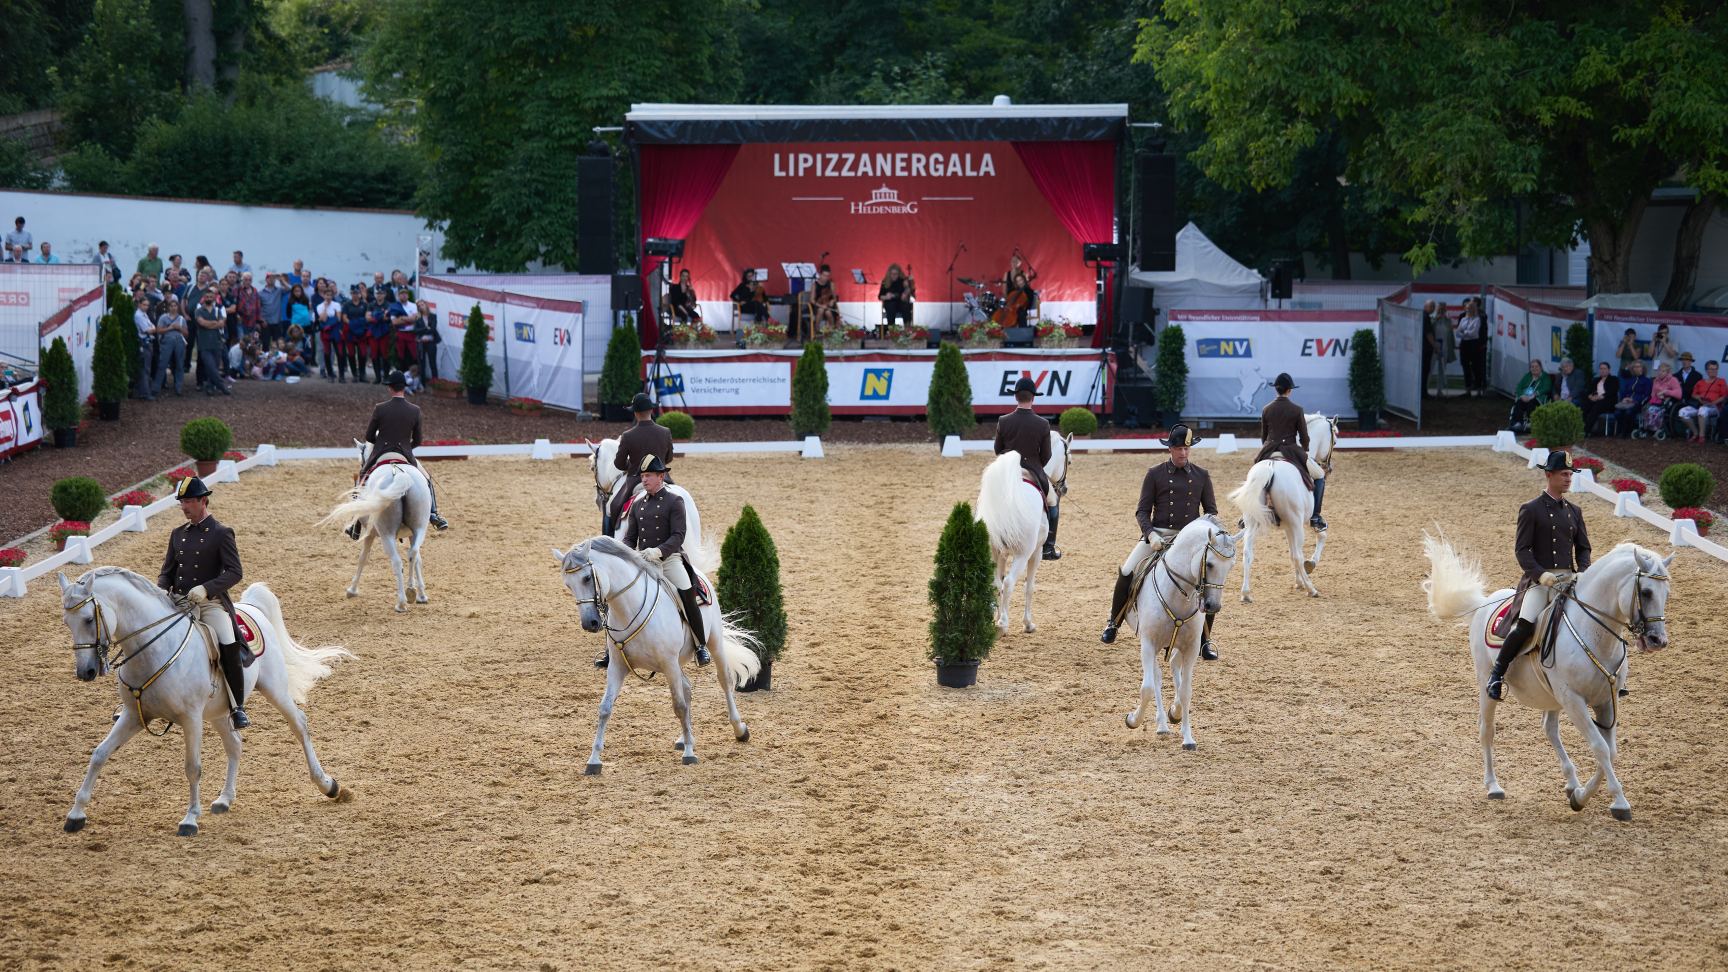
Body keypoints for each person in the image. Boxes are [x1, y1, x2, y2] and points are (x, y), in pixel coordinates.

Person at [1099, 425, 1222, 659]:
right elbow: (1142, 511)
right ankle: (1113, 622)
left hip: (1189, 539)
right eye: (1178, 448)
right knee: (1126, 571)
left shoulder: (1202, 476)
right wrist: (1151, 534)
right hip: (1159, 534)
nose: (1183, 454)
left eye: (1186, 448)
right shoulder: (1155, 474)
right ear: (1170, 449)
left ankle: (1206, 640)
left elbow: (1211, 512)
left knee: (1209, 578)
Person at [1485, 450, 1591, 701]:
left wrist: (1583, 571)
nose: (1568, 478)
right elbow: (1522, 550)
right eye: (1564, 474)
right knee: (1526, 623)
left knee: (1593, 619)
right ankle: (1497, 674)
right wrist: (1540, 575)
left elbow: (1584, 548)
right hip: (1540, 581)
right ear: (1549, 475)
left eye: (1570, 474)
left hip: (1569, 580)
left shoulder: (1574, 511)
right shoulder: (1531, 509)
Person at [156, 476, 252, 729]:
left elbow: (235, 572)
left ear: (202, 500)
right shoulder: (178, 534)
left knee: (227, 640)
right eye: (181, 502)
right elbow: (167, 571)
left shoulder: (221, 533)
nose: (184, 506)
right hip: (178, 601)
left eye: (188, 501)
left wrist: (206, 589)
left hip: (209, 604)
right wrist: (160, 591)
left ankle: (236, 706)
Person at [618, 453, 710, 667]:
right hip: (644, 562)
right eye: (642, 476)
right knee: (619, 594)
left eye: (649, 475)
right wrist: (622, 554)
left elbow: (678, 535)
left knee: (687, 593)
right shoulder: (638, 505)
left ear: (661, 477)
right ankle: (611, 647)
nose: (644, 480)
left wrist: (659, 551)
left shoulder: (674, 501)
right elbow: (630, 538)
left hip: (669, 560)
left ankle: (700, 645)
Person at [347, 370, 447, 538]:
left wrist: (380, 443)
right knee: (427, 479)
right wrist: (406, 448)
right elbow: (418, 440)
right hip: (405, 454)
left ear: (390, 388)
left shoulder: (380, 408)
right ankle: (434, 515)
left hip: (381, 453)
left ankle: (355, 525)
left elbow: (369, 436)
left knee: (362, 479)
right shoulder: (415, 410)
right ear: (403, 388)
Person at [993, 376, 1061, 560]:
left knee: (984, 500)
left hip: (1007, 472)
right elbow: (1046, 456)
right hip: (1033, 472)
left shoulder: (1004, 421)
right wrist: (1035, 463)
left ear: (1016, 397)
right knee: (1053, 504)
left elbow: (997, 450)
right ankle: (1048, 547)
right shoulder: (1042, 424)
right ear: (1033, 398)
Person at [1252, 373, 1325, 530]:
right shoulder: (1297, 410)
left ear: (1276, 390)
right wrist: (1304, 450)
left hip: (1269, 449)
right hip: (1291, 450)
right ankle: (1316, 516)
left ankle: (1247, 515)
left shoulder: (1266, 409)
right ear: (1289, 391)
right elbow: (1305, 438)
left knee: (1253, 474)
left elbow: (1263, 437)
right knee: (1320, 475)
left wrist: (1267, 448)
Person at [607, 392, 675, 535]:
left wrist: (631, 466)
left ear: (635, 413)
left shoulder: (628, 435)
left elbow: (619, 463)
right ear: (651, 410)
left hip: (637, 479)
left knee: (613, 506)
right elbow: (668, 458)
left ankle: (610, 539)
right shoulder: (665, 432)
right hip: (662, 477)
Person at [1678, 359, 1725, 443]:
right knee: (1682, 412)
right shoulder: (1700, 382)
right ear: (1707, 370)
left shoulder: (1721, 381)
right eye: (1711, 369)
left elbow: (1724, 396)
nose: (1713, 371)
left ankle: (1701, 436)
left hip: (1714, 407)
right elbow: (1693, 394)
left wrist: (1713, 403)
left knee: (1703, 410)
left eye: (1715, 369)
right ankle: (1695, 433)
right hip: (1700, 405)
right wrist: (1699, 398)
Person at [194, 290, 230, 396]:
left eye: (211, 296)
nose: (209, 298)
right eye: (207, 296)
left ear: (214, 298)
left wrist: (209, 324)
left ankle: (210, 387)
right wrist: (214, 323)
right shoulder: (199, 311)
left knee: (214, 366)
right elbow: (201, 323)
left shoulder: (218, 310)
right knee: (210, 366)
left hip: (216, 343)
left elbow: (221, 324)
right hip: (204, 344)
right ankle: (222, 386)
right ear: (204, 298)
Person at [152, 298, 189, 396]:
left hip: (179, 342)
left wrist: (179, 328)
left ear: (178, 307)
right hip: (166, 342)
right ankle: (156, 388)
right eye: (171, 306)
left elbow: (186, 334)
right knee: (162, 364)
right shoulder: (163, 318)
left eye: (175, 306)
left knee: (179, 364)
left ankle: (178, 387)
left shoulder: (181, 319)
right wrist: (170, 328)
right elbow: (159, 331)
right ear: (168, 307)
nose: (173, 308)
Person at [1454, 296, 1488, 396]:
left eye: (1471, 307)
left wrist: (1464, 333)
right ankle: (1468, 388)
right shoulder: (1463, 318)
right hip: (1464, 345)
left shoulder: (1479, 318)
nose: (1468, 309)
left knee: (1476, 367)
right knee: (1465, 366)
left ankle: (1479, 388)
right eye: (1467, 308)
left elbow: (1474, 333)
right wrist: (1466, 333)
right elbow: (1458, 332)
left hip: (1475, 345)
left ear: (1476, 307)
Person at [1507, 359, 1553, 432]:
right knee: (1519, 402)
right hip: (1525, 396)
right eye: (1532, 367)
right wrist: (1522, 395)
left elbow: (1547, 387)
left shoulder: (1545, 377)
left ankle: (1530, 422)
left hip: (1537, 398)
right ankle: (1517, 423)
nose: (1534, 368)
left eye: (1536, 366)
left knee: (1531, 403)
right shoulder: (1527, 376)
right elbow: (1519, 387)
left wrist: (1535, 394)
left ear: (1541, 367)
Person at [1613, 360, 1651, 434]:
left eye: (1639, 367)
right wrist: (1624, 399)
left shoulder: (1647, 381)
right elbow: (1624, 392)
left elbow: (1647, 395)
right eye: (1635, 367)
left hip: (1638, 403)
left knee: (1628, 412)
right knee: (1617, 413)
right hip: (1626, 402)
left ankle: (1626, 432)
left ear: (1643, 368)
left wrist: (1634, 400)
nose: (1636, 368)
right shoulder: (1630, 380)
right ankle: (1621, 431)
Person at [1581, 361, 1619, 435]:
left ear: (1609, 370)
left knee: (1596, 407)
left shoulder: (1614, 379)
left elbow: (1612, 391)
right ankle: (1581, 428)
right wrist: (1590, 396)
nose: (1602, 370)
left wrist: (1601, 397)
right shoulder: (1596, 380)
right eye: (1601, 368)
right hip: (1595, 400)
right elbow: (1589, 391)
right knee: (1584, 406)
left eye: (1604, 368)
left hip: (1608, 401)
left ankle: (1586, 431)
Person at [132, 295, 157, 401]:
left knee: (146, 368)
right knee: (144, 369)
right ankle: (144, 393)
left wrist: (153, 329)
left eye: (147, 305)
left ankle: (142, 391)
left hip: (148, 342)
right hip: (144, 343)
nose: (146, 307)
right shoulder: (138, 315)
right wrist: (153, 329)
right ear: (139, 304)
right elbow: (148, 329)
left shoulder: (144, 314)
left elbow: (153, 327)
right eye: (144, 305)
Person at [317, 286, 344, 381]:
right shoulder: (319, 306)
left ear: (332, 295)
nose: (328, 297)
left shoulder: (337, 304)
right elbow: (323, 319)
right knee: (327, 352)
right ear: (323, 295)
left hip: (335, 331)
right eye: (326, 295)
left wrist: (330, 320)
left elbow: (339, 318)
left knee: (339, 353)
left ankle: (341, 375)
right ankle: (330, 374)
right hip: (326, 332)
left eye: (330, 295)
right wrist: (325, 307)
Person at [879, 263, 914, 328]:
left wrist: (907, 290)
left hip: (900, 303)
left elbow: (909, 291)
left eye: (896, 274)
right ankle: (892, 330)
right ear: (889, 273)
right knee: (890, 305)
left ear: (899, 274)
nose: (894, 275)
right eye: (892, 273)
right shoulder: (885, 281)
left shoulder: (902, 280)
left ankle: (907, 329)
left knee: (906, 305)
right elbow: (880, 296)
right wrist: (886, 297)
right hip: (890, 304)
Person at [413, 298, 441, 380]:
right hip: (421, 343)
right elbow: (415, 331)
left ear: (426, 305)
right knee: (422, 364)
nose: (421, 307)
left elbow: (432, 329)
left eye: (422, 304)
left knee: (433, 363)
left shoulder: (433, 316)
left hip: (431, 343)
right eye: (419, 306)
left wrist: (422, 331)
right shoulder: (418, 318)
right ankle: (423, 384)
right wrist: (425, 328)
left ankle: (435, 383)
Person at [809, 264, 840, 331]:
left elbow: (834, 297)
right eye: (824, 275)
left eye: (827, 276)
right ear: (819, 274)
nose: (825, 278)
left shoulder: (831, 283)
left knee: (828, 311)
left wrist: (832, 301)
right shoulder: (815, 285)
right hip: (817, 305)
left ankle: (832, 328)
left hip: (829, 305)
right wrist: (821, 305)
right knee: (821, 309)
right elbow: (812, 300)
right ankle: (816, 329)